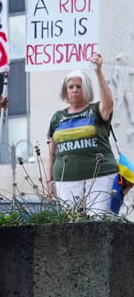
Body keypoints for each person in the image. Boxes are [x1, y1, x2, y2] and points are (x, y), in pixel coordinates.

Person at [45, 55, 117, 215]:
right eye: (70, 87)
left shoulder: (96, 110)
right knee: (71, 225)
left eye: (79, 86)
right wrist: (49, 181)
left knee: (99, 221)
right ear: (65, 91)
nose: (74, 90)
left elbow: (109, 103)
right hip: (65, 180)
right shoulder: (57, 117)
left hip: (101, 177)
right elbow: (51, 152)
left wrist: (98, 72)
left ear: (86, 89)